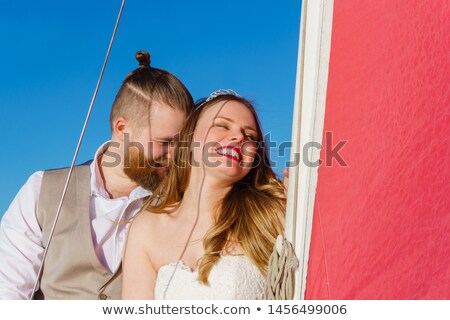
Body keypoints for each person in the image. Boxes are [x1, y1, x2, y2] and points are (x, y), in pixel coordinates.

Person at [0, 51, 194, 300]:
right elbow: (8, 294)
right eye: (165, 142)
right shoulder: (42, 191)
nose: (175, 155)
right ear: (122, 129)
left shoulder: (181, 203)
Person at [122, 90, 286, 299]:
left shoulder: (273, 215)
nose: (239, 137)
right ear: (189, 138)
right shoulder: (147, 227)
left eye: (250, 136)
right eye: (222, 125)